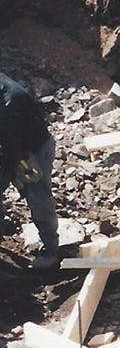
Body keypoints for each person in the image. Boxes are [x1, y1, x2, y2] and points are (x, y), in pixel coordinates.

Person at [0, 72, 59, 270]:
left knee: (38, 197)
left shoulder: (11, 101)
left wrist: (19, 170)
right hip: (8, 146)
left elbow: (16, 144)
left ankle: (50, 249)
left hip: (33, 149)